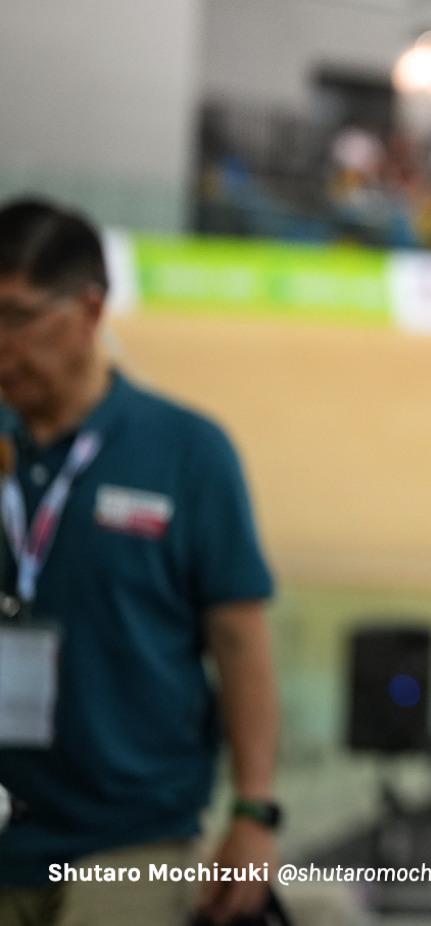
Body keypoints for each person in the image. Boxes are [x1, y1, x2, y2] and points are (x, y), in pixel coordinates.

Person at [0, 200, 281, 926]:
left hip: (129, 834)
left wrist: (254, 810)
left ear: (90, 310)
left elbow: (241, 642)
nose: (0, 343)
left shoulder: (189, 452)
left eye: (17, 317)